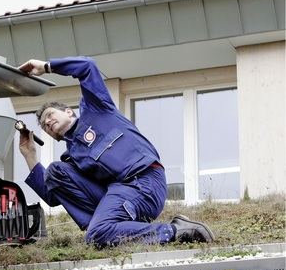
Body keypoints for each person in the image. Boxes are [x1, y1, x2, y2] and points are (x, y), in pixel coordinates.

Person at [17, 56, 214, 247]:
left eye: (50, 115)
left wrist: (45, 66)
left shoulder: (97, 109)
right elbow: (53, 196)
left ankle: (176, 230)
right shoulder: (72, 159)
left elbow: (87, 67)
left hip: (145, 182)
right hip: (118, 193)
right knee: (55, 171)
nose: (48, 122)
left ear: (69, 111)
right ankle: (108, 225)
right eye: (44, 125)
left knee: (97, 234)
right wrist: (29, 155)